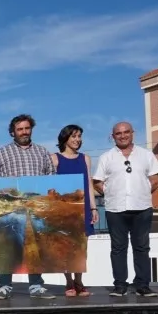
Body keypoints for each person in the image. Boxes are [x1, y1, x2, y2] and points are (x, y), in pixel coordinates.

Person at [0, 114, 56, 300]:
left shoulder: (42, 153)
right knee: (8, 246)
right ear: (12, 132)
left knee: (34, 245)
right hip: (11, 208)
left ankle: (36, 286)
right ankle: (5, 286)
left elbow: (52, 177)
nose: (24, 132)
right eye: (20, 129)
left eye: (27, 128)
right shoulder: (2, 153)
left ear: (31, 129)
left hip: (35, 207)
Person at [92, 122, 158, 297]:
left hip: (142, 207)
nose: (122, 136)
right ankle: (120, 286)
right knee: (118, 248)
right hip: (116, 209)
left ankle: (143, 285)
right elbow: (97, 182)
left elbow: (156, 178)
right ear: (112, 136)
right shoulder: (106, 157)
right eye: (118, 133)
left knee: (142, 247)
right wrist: (109, 193)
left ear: (133, 133)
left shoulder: (146, 155)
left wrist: (144, 190)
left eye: (126, 132)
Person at [51, 124, 98, 297]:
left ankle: (79, 281)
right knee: (65, 247)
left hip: (83, 208)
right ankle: (69, 282)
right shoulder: (54, 159)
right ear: (65, 138)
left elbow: (89, 184)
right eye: (74, 136)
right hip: (64, 209)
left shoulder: (85, 159)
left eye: (79, 136)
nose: (77, 140)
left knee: (81, 247)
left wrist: (93, 207)